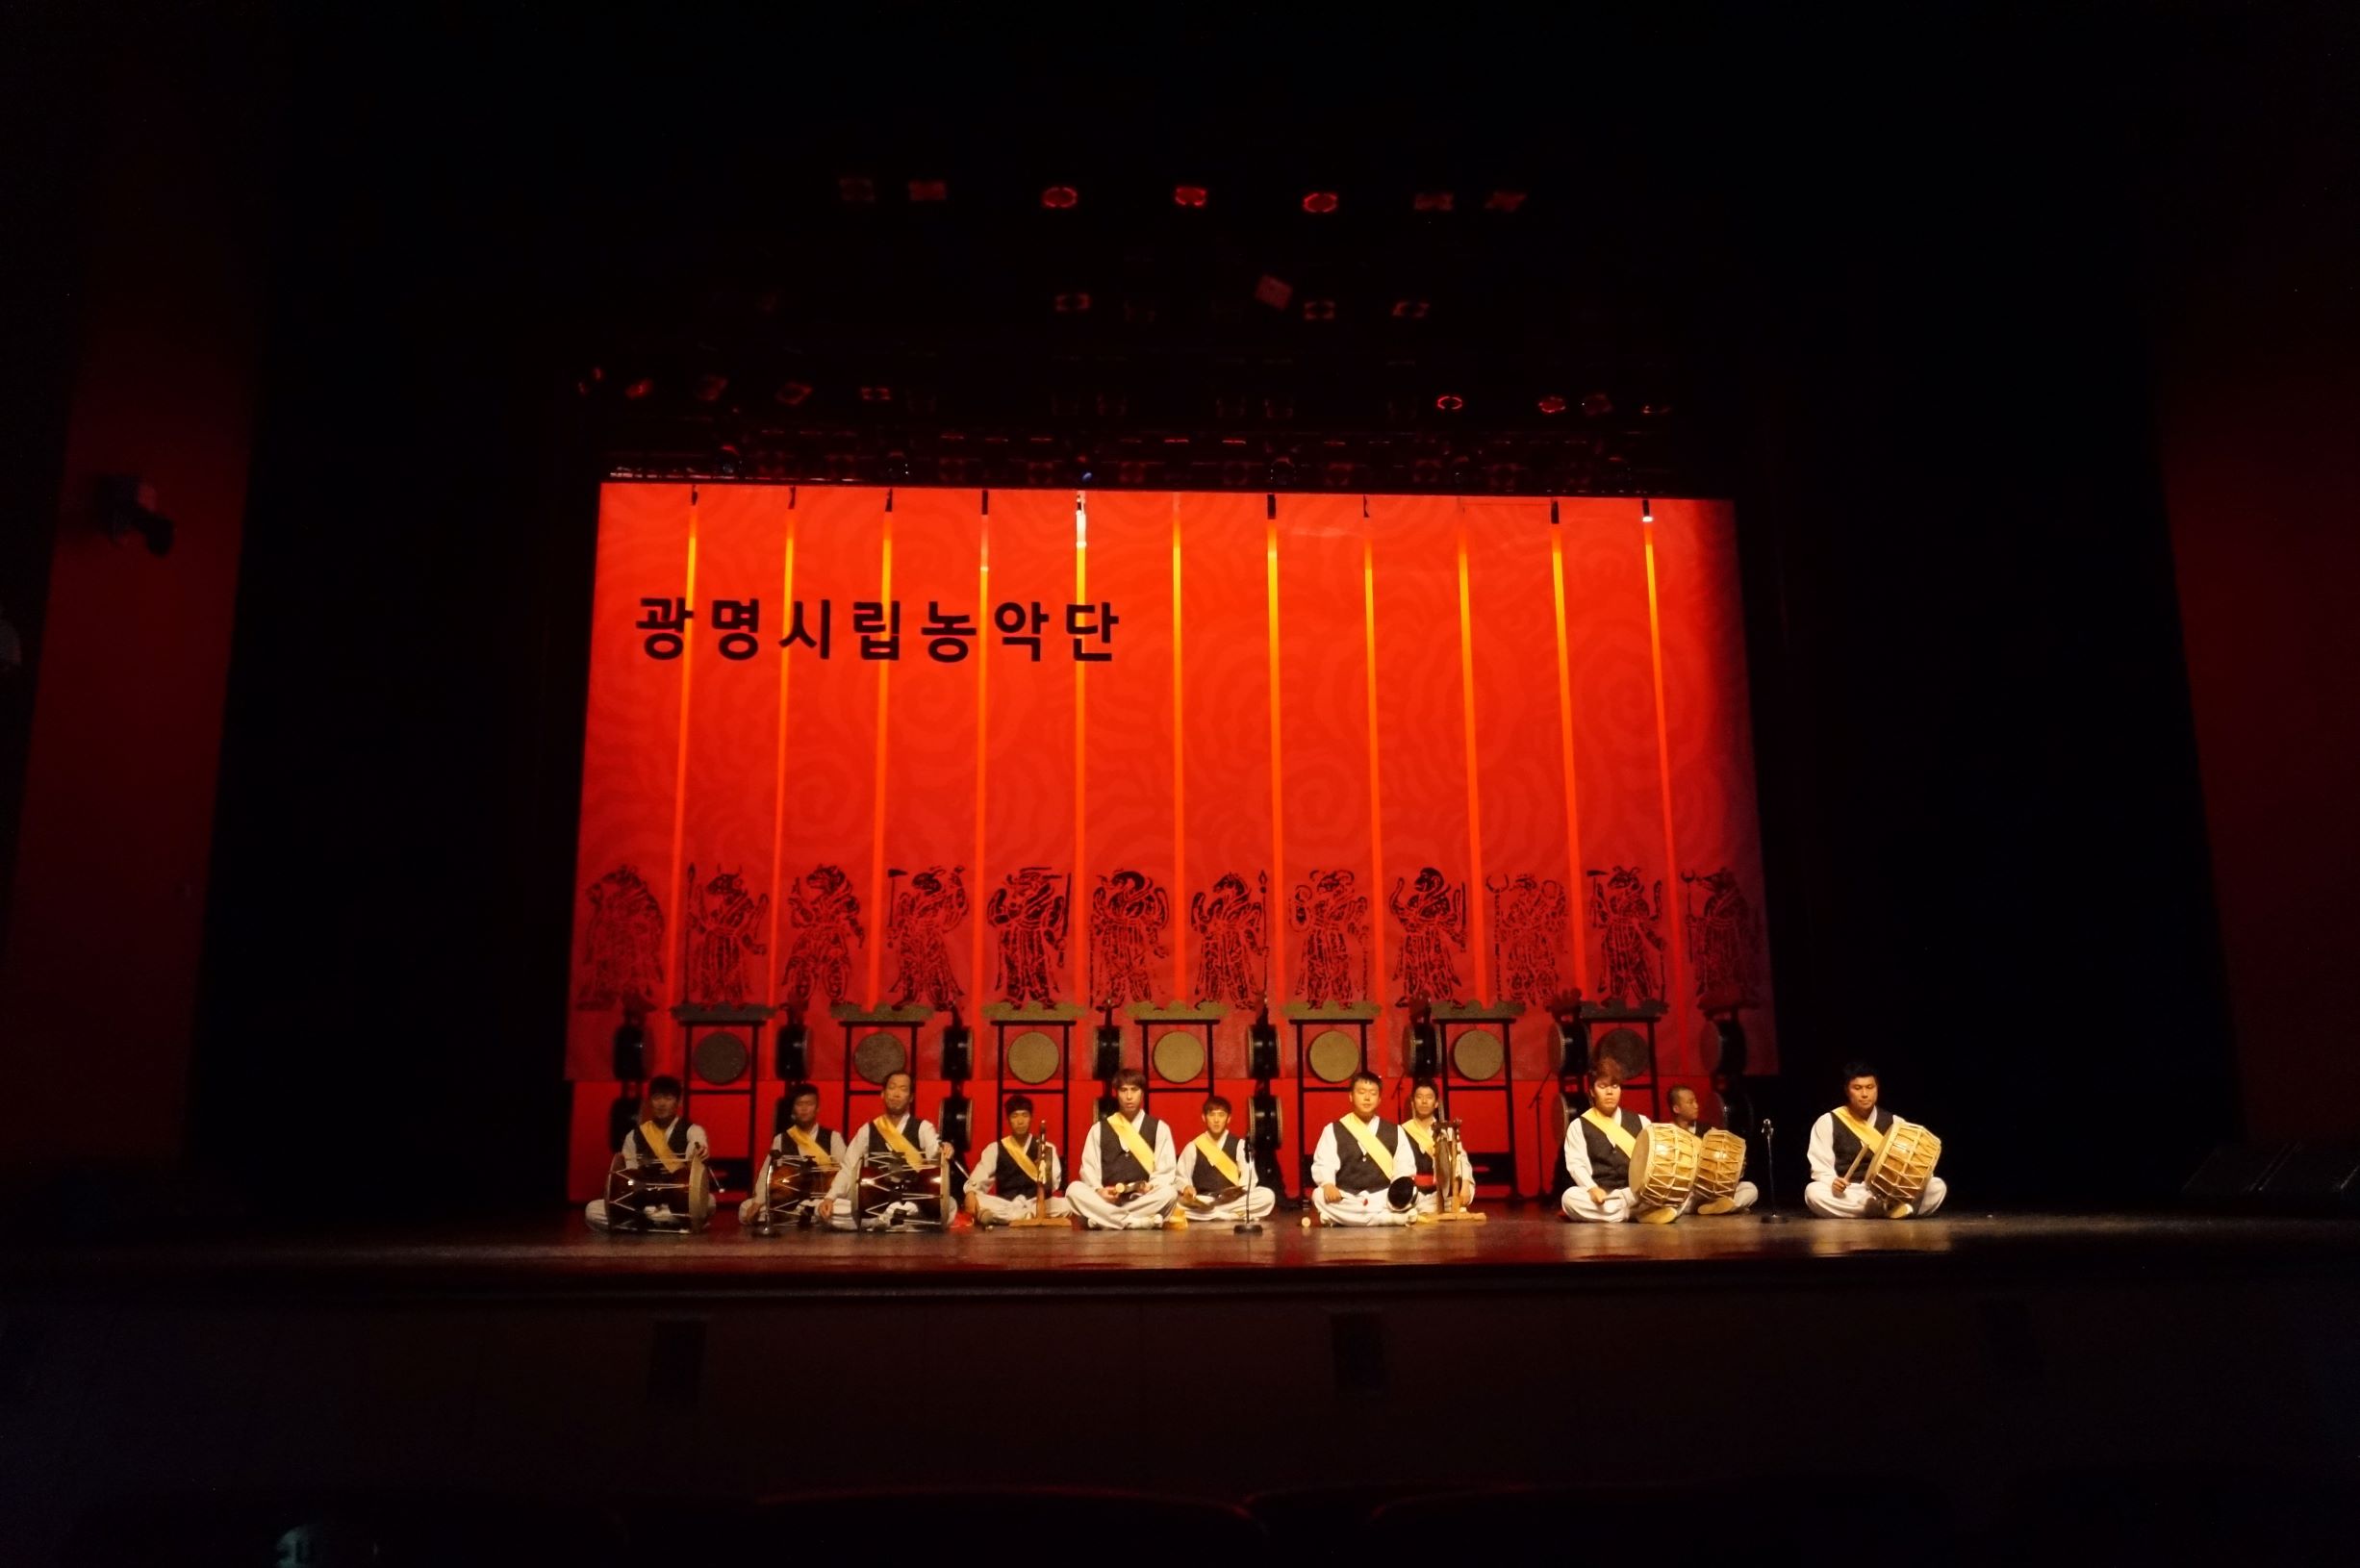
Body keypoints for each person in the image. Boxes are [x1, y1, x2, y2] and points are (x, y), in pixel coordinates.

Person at [1806, 1064, 1948, 1219]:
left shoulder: (1895, 1122)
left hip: (1893, 1191)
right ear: (1847, 1090)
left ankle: (1881, 1209)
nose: (1864, 1094)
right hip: (1852, 1192)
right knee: (1813, 1192)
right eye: (1857, 1088)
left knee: (1936, 1186)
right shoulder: (1828, 1122)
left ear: (1877, 1088)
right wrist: (1833, 1181)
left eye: (1870, 1087)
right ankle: (1886, 1210)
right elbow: (1821, 1168)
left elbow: (1914, 1164)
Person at [586, 1076, 708, 1232]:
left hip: (678, 1199)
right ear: (650, 1101)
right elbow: (629, 1176)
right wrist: (638, 1186)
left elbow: (697, 1146)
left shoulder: (692, 1130)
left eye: (668, 1098)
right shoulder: (634, 1136)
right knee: (592, 1210)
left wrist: (699, 1151)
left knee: (708, 1203)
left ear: (679, 1102)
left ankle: (641, 1222)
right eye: (657, 1098)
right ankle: (665, 1220)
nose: (662, 1103)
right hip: (644, 1200)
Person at [1065, 1069, 1180, 1229]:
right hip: (1107, 1200)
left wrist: (1151, 1187)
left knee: (1169, 1193)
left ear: (1142, 1093)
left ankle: (1104, 1220)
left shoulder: (1159, 1128)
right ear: (1116, 1093)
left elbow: (1165, 1171)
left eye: (1134, 1090)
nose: (1129, 1096)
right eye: (1123, 1090)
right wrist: (1099, 1191)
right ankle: (1134, 1222)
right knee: (1073, 1190)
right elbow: (1089, 1169)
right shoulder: (1099, 1129)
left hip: (1142, 1199)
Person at [827, 1069, 943, 1228]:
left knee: (948, 1205)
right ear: (882, 1093)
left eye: (903, 1089)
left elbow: (935, 1158)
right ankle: (892, 1221)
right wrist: (830, 1197)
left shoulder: (923, 1128)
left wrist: (942, 1150)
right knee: (830, 1209)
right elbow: (848, 1167)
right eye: (892, 1087)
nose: (896, 1094)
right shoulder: (867, 1130)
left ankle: (882, 1221)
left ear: (911, 1097)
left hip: (912, 1201)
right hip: (875, 1201)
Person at [1559, 1065, 1675, 1224]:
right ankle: (1633, 1213)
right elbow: (1576, 1164)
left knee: (1669, 1188)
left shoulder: (1642, 1122)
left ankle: (1626, 1210)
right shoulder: (1578, 1126)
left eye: (1615, 1086)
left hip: (1634, 1193)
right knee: (1569, 1198)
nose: (1609, 1092)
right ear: (1592, 1091)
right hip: (1604, 1196)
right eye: (1602, 1086)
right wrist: (1591, 1188)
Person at [1309, 1071, 1419, 1227]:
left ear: (1379, 1099)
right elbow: (1324, 1163)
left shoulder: (1395, 1131)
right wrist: (1328, 1184)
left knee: (1412, 1195)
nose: (1367, 1098)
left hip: (1382, 1196)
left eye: (1373, 1093)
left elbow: (1404, 1167)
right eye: (1361, 1092)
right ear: (1351, 1096)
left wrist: (1399, 1193)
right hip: (1347, 1196)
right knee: (1319, 1195)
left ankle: (1341, 1219)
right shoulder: (1333, 1130)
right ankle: (1387, 1219)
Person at [739, 1082, 847, 1228]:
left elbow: (844, 1172)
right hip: (790, 1201)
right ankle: (806, 1215)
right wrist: (758, 1202)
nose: (804, 1109)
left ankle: (801, 1215)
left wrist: (830, 1198)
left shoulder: (833, 1137)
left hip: (822, 1198)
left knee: (843, 1208)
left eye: (809, 1104)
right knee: (745, 1208)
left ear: (817, 1108)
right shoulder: (781, 1139)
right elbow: (766, 1171)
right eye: (799, 1104)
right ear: (793, 1108)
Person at [963, 1095, 1071, 1226]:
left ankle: (1017, 1216)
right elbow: (978, 1177)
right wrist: (971, 1193)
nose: (1020, 1121)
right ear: (1008, 1119)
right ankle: (1027, 1216)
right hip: (1007, 1204)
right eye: (1015, 1116)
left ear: (1031, 1118)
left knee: (1067, 1204)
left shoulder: (1046, 1147)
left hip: (1036, 1202)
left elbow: (1053, 1185)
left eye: (1025, 1115)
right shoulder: (995, 1148)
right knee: (978, 1199)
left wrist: (1044, 1170)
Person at [1174, 1095, 1277, 1225]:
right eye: (1212, 1115)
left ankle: (1214, 1214)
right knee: (1174, 1202)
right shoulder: (1193, 1147)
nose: (1216, 1120)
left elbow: (1249, 1178)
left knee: (1267, 1195)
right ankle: (1231, 1215)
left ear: (1228, 1118)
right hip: (1204, 1199)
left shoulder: (1239, 1145)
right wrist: (1186, 1187)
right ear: (1204, 1118)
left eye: (1221, 1115)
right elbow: (1181, 1177)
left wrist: (1239, 1192)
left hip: (1233, 1200)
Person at [1664, 1083, 1759, 1216]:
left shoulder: (1707, 1130)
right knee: (1672, 1200)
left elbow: (1725, 1157)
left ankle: (1719, 1207)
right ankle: (1725, 1208)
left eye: (1696, 1101)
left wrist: (1736, 1165)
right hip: (1689, 1193)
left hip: (1713, 1190)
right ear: (1676, 1108)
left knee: (1750, 1189)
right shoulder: (1667, 1133)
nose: (1696, 1106)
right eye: (1690, 1102)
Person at [1402, 1077, 1477, 1216]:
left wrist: (1465, 1183)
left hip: (1441, 1188)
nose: (1424, 1101)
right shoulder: (1402, 1130)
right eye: (1419, 1097)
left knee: (1457, 1196)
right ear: (1413, 1102)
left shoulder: (1446, 1129)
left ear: (1436, 1103)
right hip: (1416, 1189)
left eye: (1429, 1097)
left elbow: (1461, 1159)